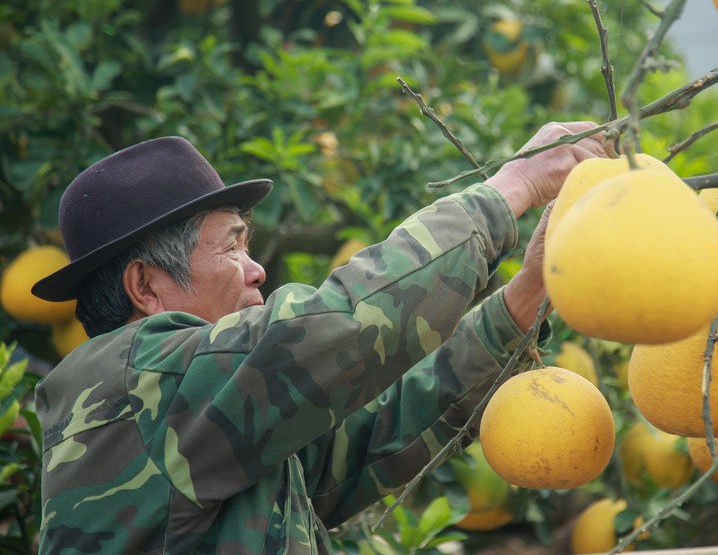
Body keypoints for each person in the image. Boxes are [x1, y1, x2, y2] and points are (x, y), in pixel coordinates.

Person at [31, 122, 606, 554]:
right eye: (231, 248)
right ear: (145, 287)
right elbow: (342, 324)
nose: (256, 269)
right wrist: (514, 186)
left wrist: (525, 296)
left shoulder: (205, 424)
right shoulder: (140, 385)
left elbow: (375, 434)